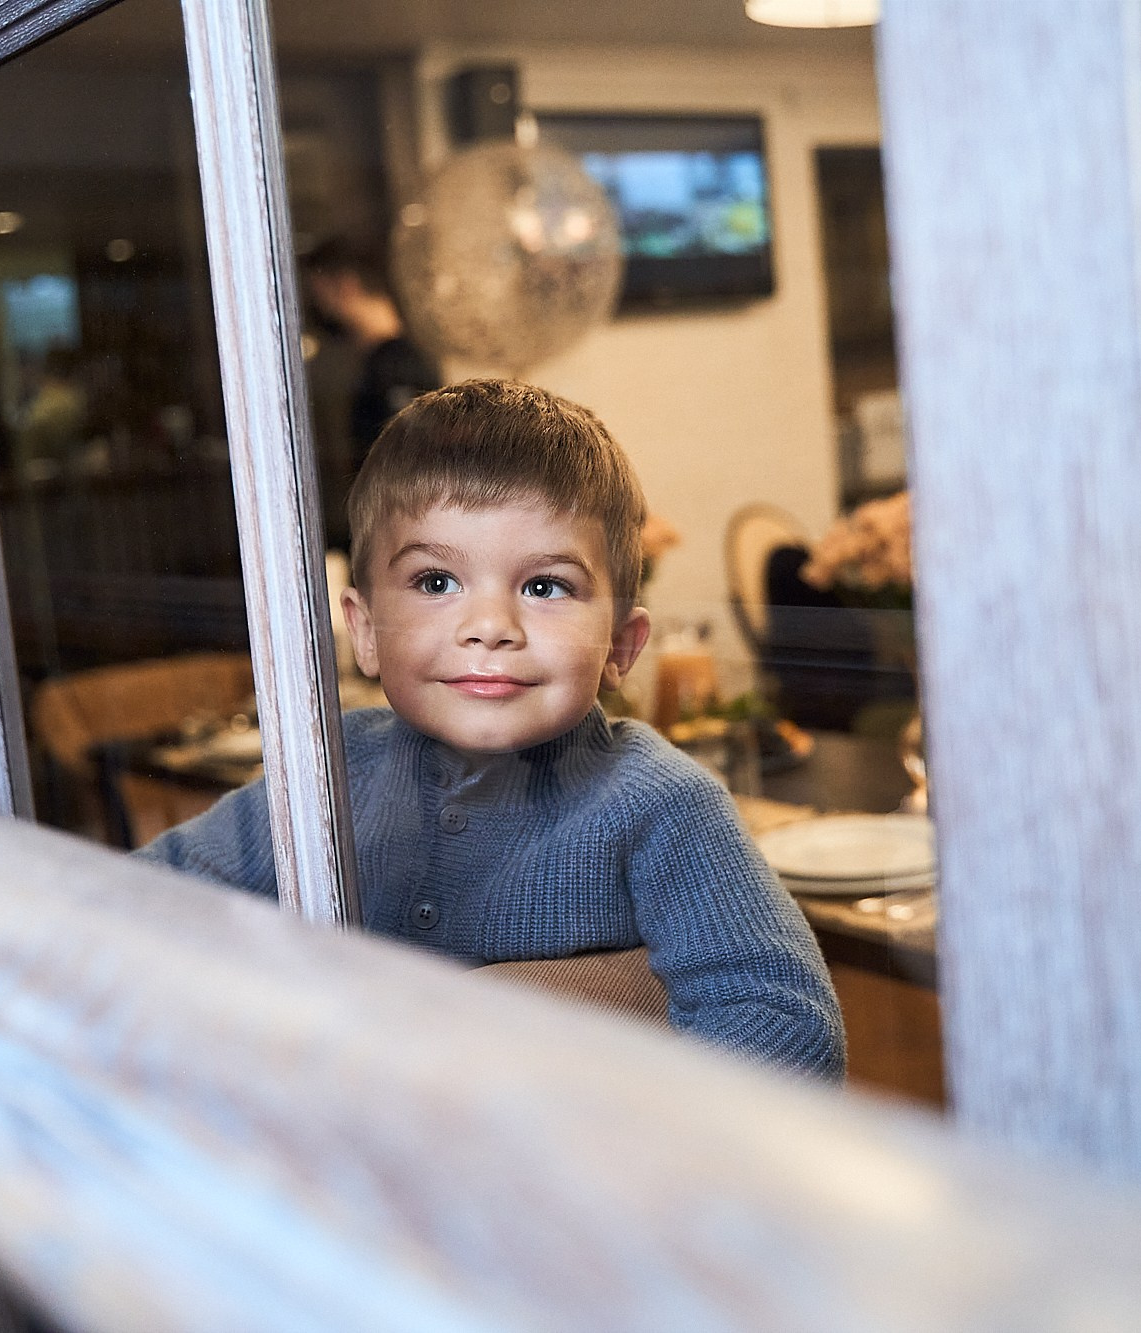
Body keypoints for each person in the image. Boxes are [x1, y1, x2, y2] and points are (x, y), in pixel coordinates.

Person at [138, 380, 845, 1080]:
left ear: (622, 647)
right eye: (436, 581)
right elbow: (141, 905)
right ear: (364, 629)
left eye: (545, 587)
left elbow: (788, 1026)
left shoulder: (659, 802)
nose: (489, 627)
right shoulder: (333, 769)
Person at [300, 239, 441, 469]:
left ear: (346, 286)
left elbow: (411, 465)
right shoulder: (389, 361)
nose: (317, 310)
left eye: (318, 297)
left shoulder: (396, 365)